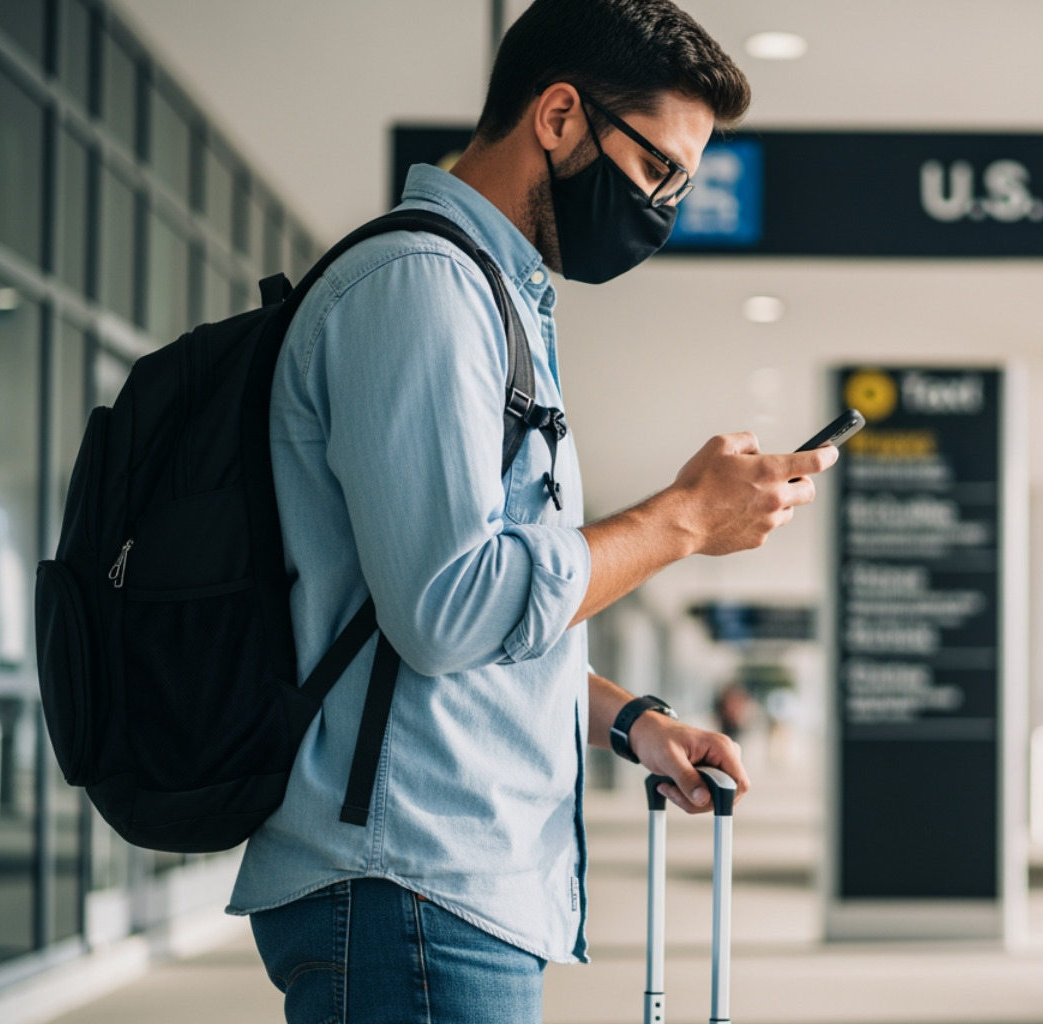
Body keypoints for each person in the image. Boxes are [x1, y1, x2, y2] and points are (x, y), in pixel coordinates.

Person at [226, 2, 837, 1020]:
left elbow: (454, 625)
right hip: (411, 883)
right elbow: (449, 608)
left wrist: (629, 720)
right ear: (558, 117)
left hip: (445, 884)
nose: (665, 207)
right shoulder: (423, 287)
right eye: (658, 169)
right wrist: (684, 518)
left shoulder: (489, 298)